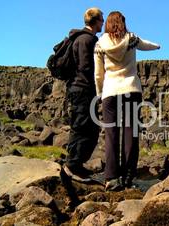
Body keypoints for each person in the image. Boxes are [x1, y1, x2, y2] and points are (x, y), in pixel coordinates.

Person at [94, 11, 160, 190]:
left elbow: (98, 74)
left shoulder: (100, 44)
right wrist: (158, 46)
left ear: (107, 24)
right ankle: (128, 176)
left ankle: (111, 178)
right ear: (123, 23)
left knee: (111, 134)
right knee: (131, 132)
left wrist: (100, 93)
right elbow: (146, 45)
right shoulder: (131, 39)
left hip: (110, 92)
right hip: (131, 89)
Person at [63, 7, 104, 181]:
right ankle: (72, 167)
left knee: (90, 128)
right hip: (84, 90)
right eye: (101, 19)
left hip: (77, 89)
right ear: (95, 21)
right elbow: (87, 68)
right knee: (82, 127)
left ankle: (77, 164)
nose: (103, 22)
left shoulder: (78, 38)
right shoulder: (88, 40)